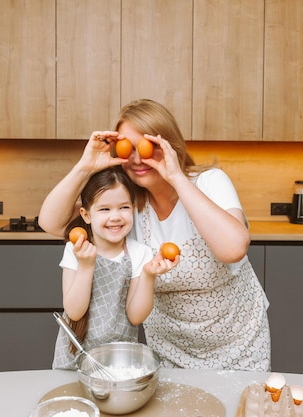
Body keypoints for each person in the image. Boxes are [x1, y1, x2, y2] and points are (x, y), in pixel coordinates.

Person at [40, 99, 271, 371]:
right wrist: (86, 166)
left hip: (237, 342)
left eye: (147, 147)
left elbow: (233, 248)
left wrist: (176, 176)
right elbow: (51, 223)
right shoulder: (127, 207)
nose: (137, 158)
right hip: (168, 349)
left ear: (169, 145)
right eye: (128, 148)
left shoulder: (210, 182)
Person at [52, 167, 177, 370]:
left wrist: (148, 275)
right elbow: (74, 312)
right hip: (75, 357)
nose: (116, 216)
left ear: (134, 208)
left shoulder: (140, 253)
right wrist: (86, 265)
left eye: (124, 207)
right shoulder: (75, 249)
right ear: (86, 215)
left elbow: (136, 316)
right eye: (104, 209)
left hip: (119, 359)